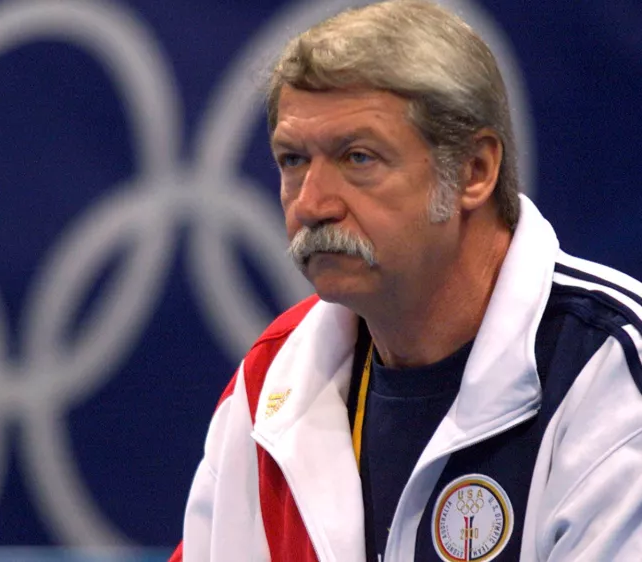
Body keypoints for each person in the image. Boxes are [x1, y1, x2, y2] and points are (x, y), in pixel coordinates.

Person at [169, 1, 642, 560]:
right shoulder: (270, 380)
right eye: (293, 160)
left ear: (474, 170)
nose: (313, 203)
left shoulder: (610, 370)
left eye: (359, 157)